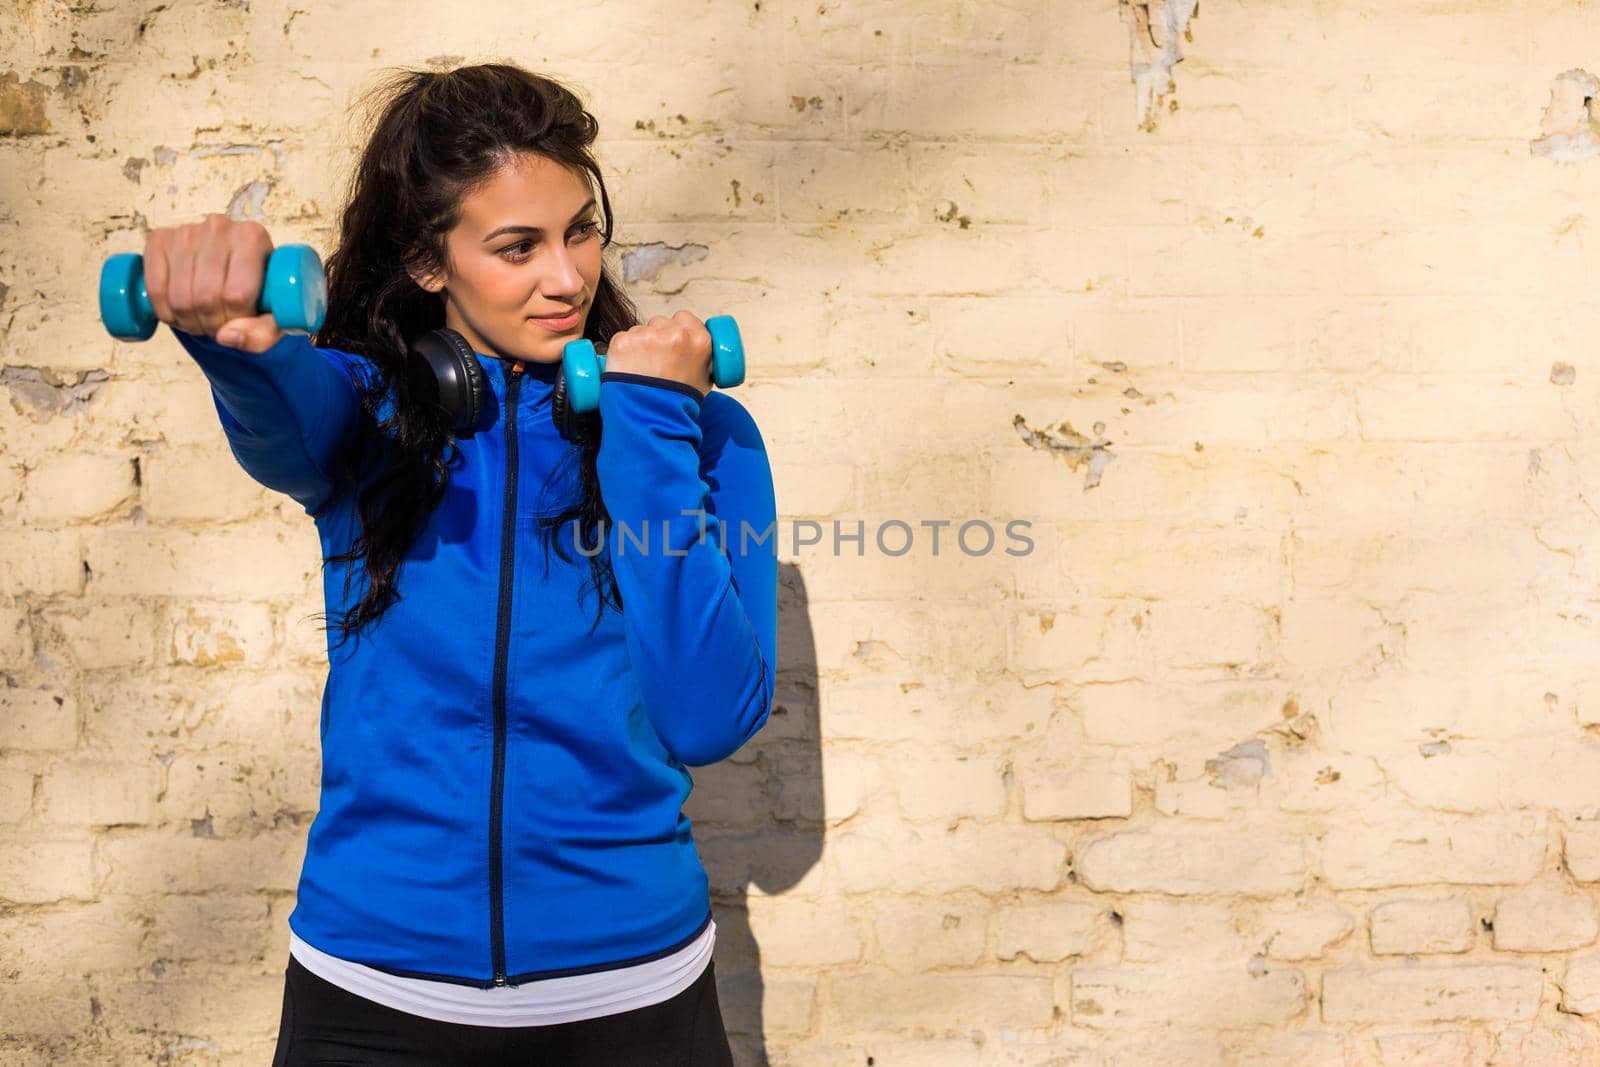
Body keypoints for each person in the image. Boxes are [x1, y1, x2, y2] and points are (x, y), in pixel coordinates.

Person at [139, 62, 775, 1065]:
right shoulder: (363, 415)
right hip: (369, 992)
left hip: (633, 992)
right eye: (516, 246)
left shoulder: (702, 433)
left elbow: (706, 717)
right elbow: (284, 415)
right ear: (429, 263)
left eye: (579, 230)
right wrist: (232, 345)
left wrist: (649, 430)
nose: (566, 277)